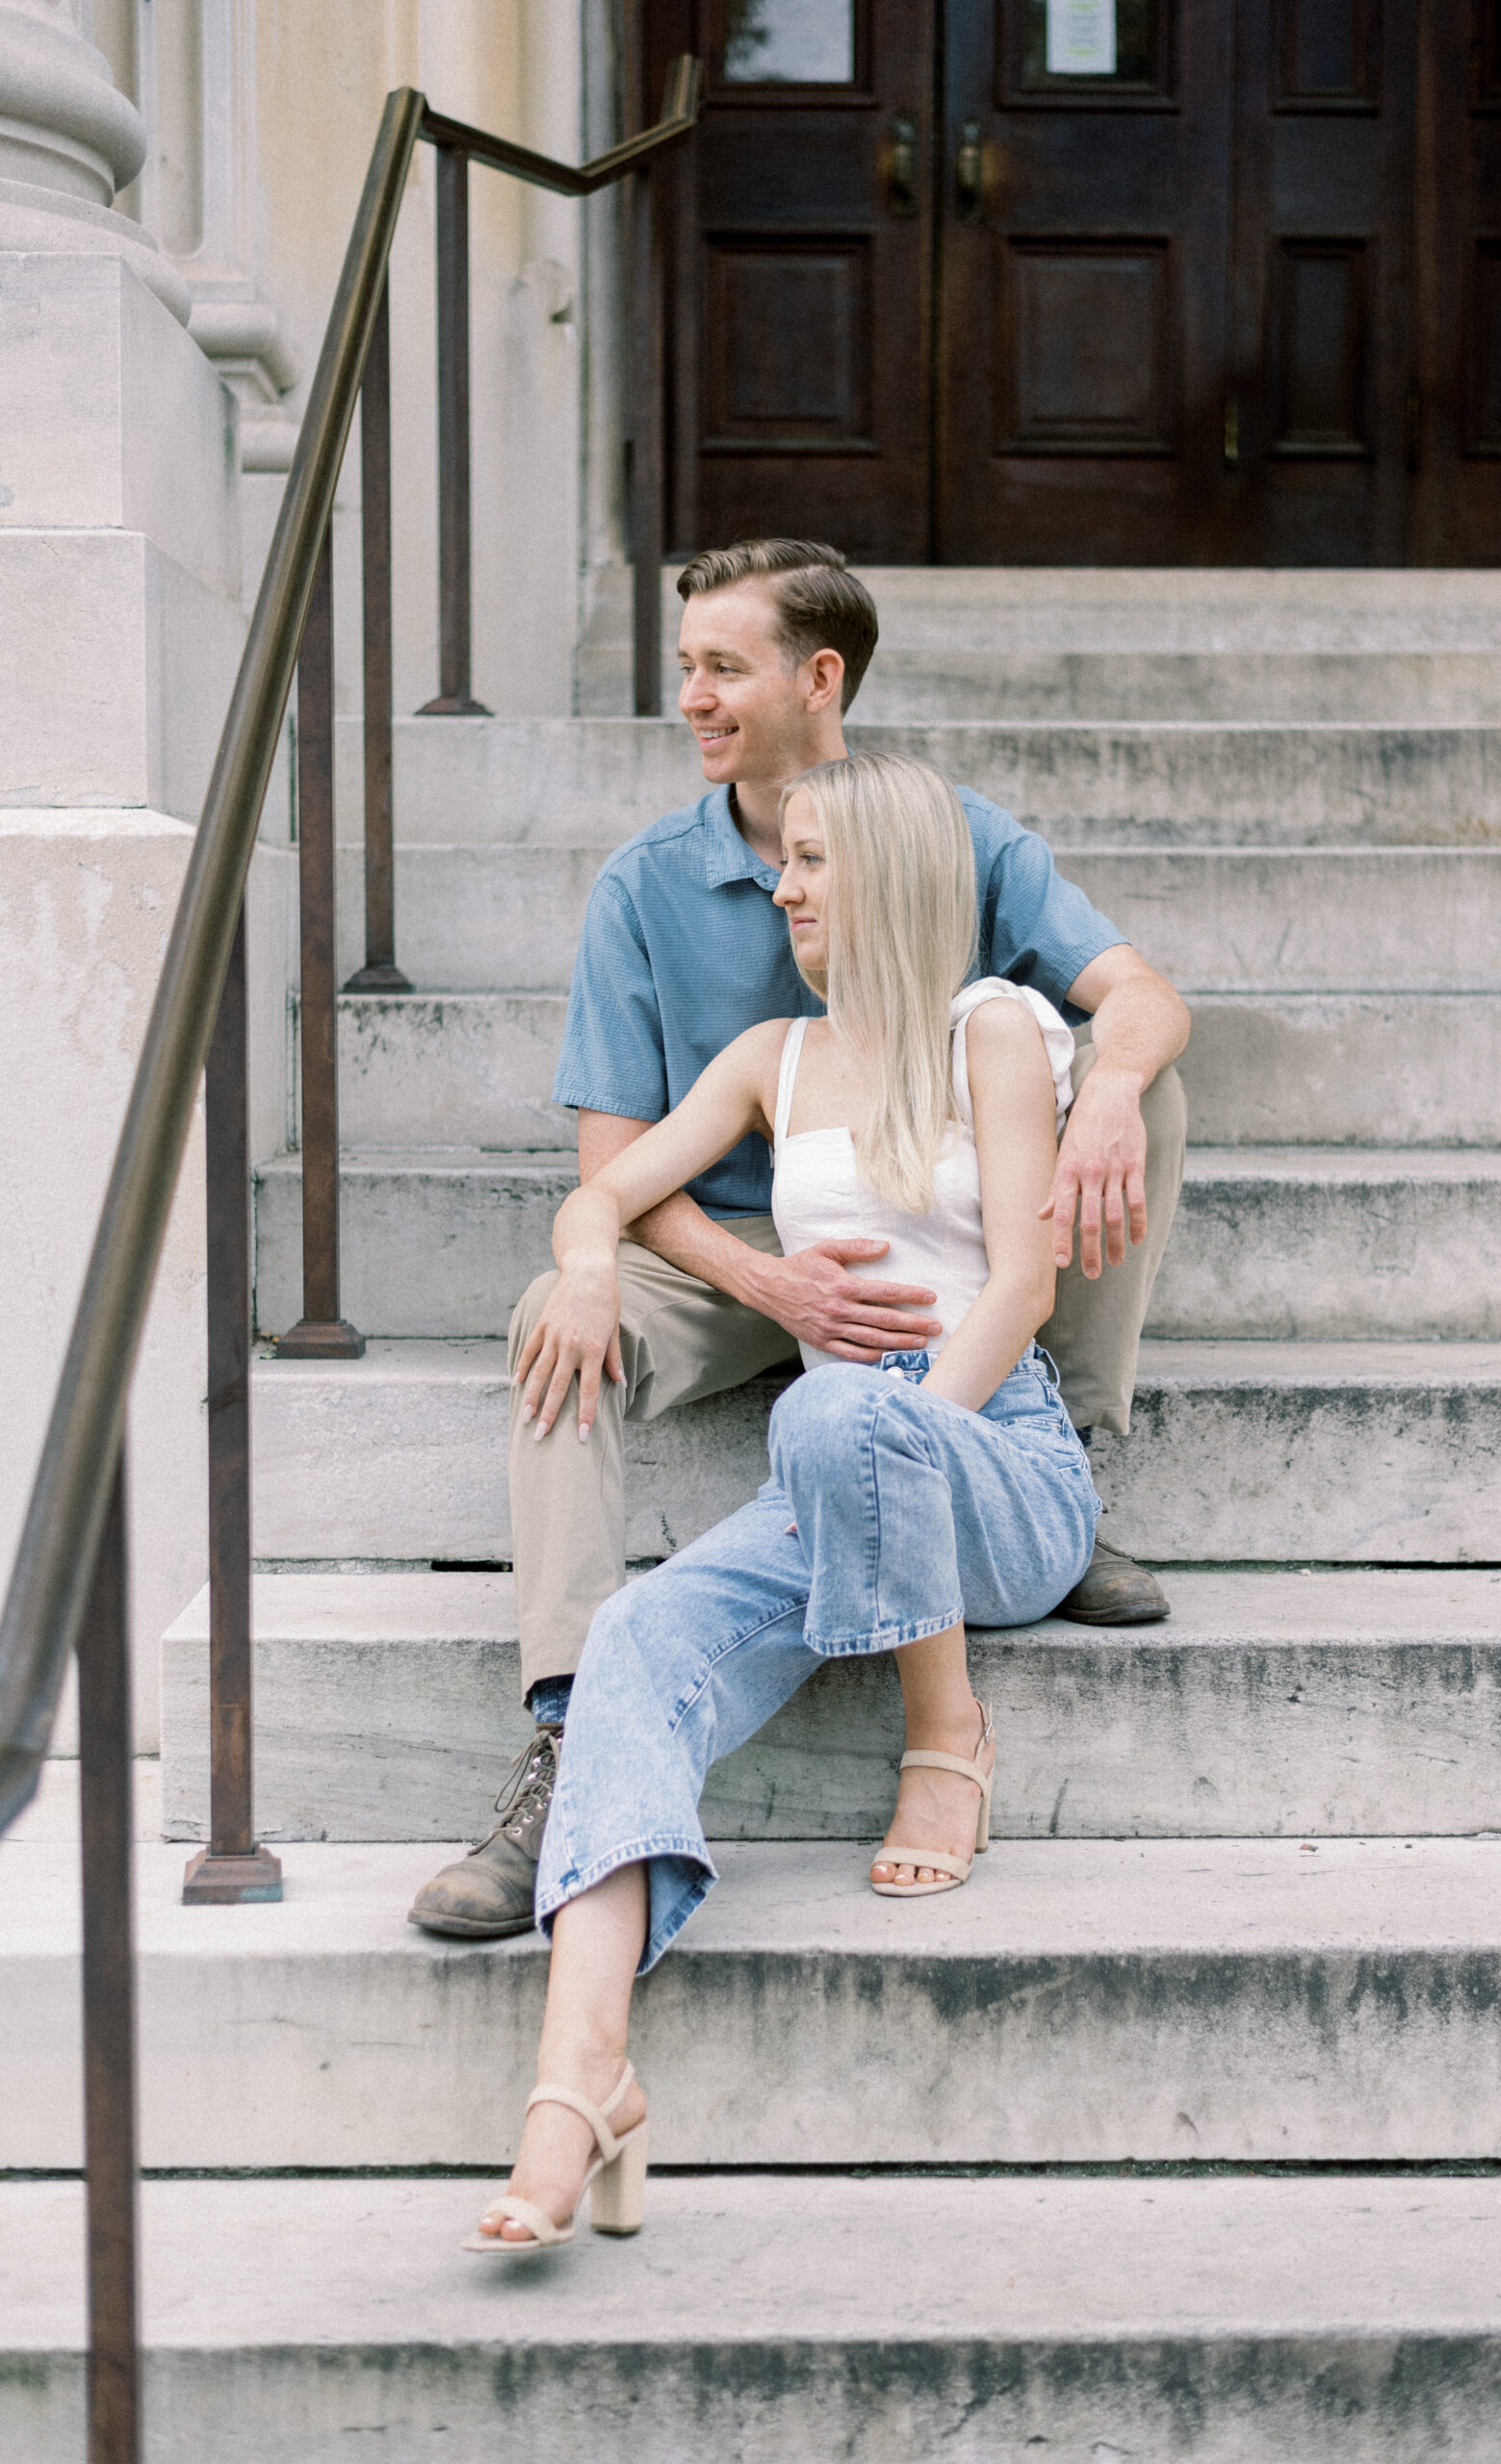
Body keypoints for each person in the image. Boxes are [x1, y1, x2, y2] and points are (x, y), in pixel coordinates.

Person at [411, 540, 1190, 1942]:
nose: (691, 701)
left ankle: (1049, 1455)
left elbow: (1133, 994)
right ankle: (567, 1722)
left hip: (938, 1264)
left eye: (721, 668)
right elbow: (610, 1177)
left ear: (817, 678)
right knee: (554, 1316)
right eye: (684, 668)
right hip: (720, 1249)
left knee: (1148, 1088)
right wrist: (743, 1276)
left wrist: (1113, 1089)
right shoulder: (649, 888)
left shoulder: (931, 832)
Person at [465, 755, 1104, 2253]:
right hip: (833, 1473)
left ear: (886, 874)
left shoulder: (994, 1029)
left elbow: (1020, 1283)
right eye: (781, 861)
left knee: (829, 1411)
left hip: (995, 1461)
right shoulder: (772, 1056)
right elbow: (605, 1194)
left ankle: (947, 1735)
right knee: (628, 1638)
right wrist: (578, 1261)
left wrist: (888, 1443)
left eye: (812, 861)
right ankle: (580, 2081)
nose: (785, 886)